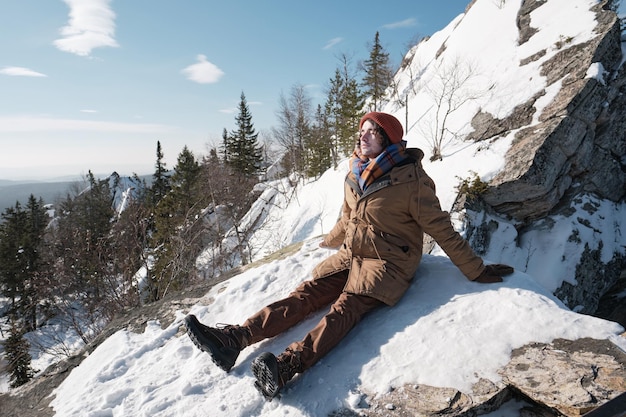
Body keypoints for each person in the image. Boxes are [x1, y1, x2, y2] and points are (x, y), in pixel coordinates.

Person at [184, 111, 514, 400]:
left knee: (345, 308)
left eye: (373, 131)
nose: (364, 135)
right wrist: (330, 242)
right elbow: (347, 217)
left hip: (388, 265)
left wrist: (476, 269)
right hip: (353, 254)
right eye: (363, 130)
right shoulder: (355, 173)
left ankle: (286, 367)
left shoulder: (412, 182)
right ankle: (234, 339)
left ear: (389, 140)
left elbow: (442, 229)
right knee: (307, 293)